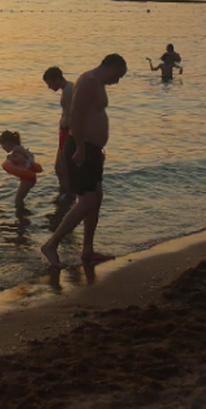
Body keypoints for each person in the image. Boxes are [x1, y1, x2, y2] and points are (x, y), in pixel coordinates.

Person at [40, 53, 127, 269]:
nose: (118, 81)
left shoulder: (96, 82)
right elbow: (76, 115)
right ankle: (51, 244)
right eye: (119, 75)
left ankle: (87, 250)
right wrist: (79, 147)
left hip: (92, 149)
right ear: (113, 67)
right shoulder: (88, 81)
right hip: (83, 147)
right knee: (87, 200)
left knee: (96, 198)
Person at [42, 66, 74, 199]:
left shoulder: (69, 90)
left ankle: (68, 194)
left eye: (49, 83)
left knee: (63, 167)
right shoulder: (68, 89)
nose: (49, 87)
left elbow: (74, 114)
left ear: (56, 79)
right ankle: (64, 191)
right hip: (64, 130)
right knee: (59, 167)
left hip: (68, 131)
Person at [0, 130, 37, 209]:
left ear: (8, 143)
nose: (3, 148)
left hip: (27, 178)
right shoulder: (20, 149)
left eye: (3, 146)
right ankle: (23, 215)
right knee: (20, 198)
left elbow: (22, 159)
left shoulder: (17, 151)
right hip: (28, 177)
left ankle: (21, 217)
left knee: (18, 200)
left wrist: (12, 159)